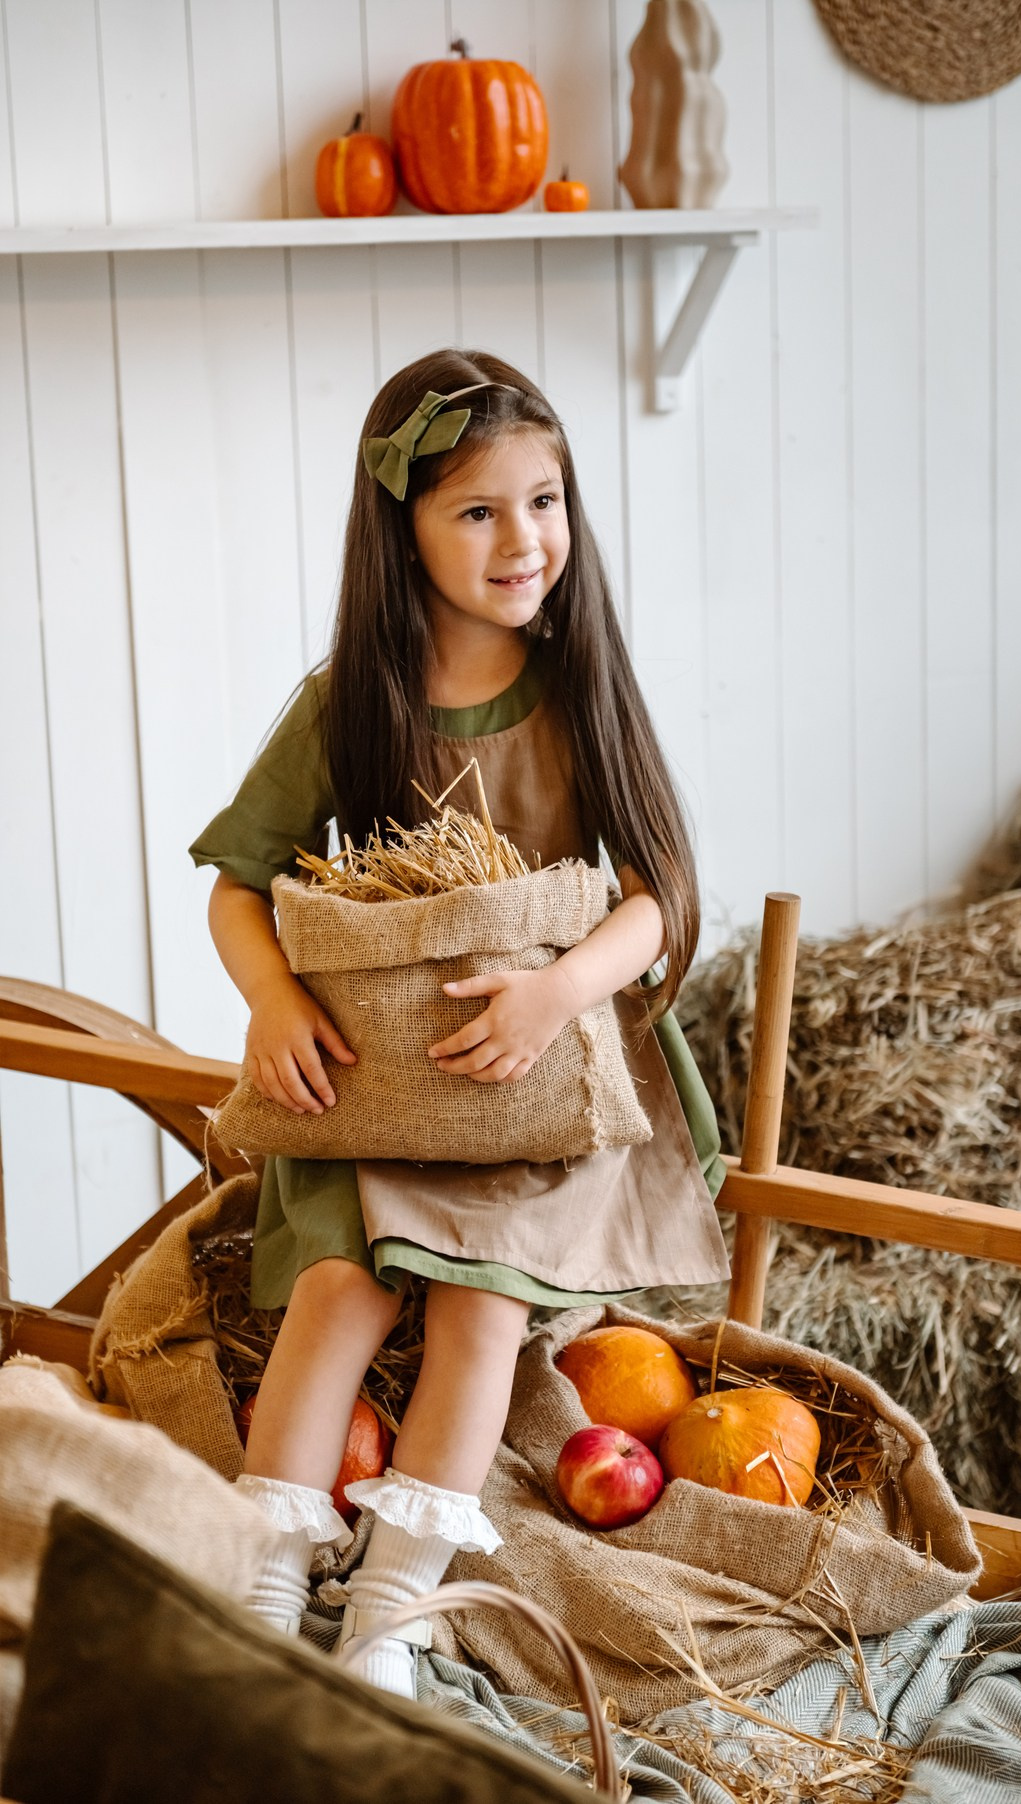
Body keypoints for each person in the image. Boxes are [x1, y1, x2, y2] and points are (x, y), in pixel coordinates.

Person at [190, 348, 730, 1698]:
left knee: (483, 1316)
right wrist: (272, 999)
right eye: (478, 511)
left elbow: (660, 900)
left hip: (532, 1081)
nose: (524, 539)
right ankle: (265, 1570)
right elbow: (236, 884)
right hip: (378, 1085)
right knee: (339, 1291)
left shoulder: (584, 691)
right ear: (404, 532)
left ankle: (391, 1602)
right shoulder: (346, 708)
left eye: (544, 501)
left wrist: (558, 988)